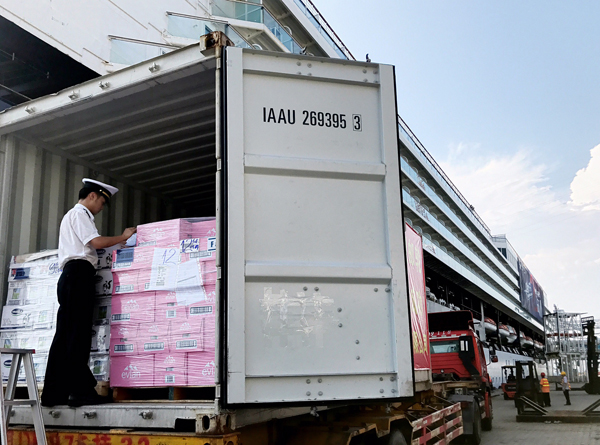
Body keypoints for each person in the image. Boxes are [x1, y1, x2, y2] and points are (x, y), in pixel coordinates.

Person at [41, 179, 136, 408]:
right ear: (92, 195)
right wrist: (123, 237)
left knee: (65, 335)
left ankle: (54, 393)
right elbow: (96, 242)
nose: (102, 207)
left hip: (71, 276)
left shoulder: (73, 216)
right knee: (78, 334)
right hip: (78, 275)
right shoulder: (80, 214)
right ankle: (80, 391)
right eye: (102, 201)